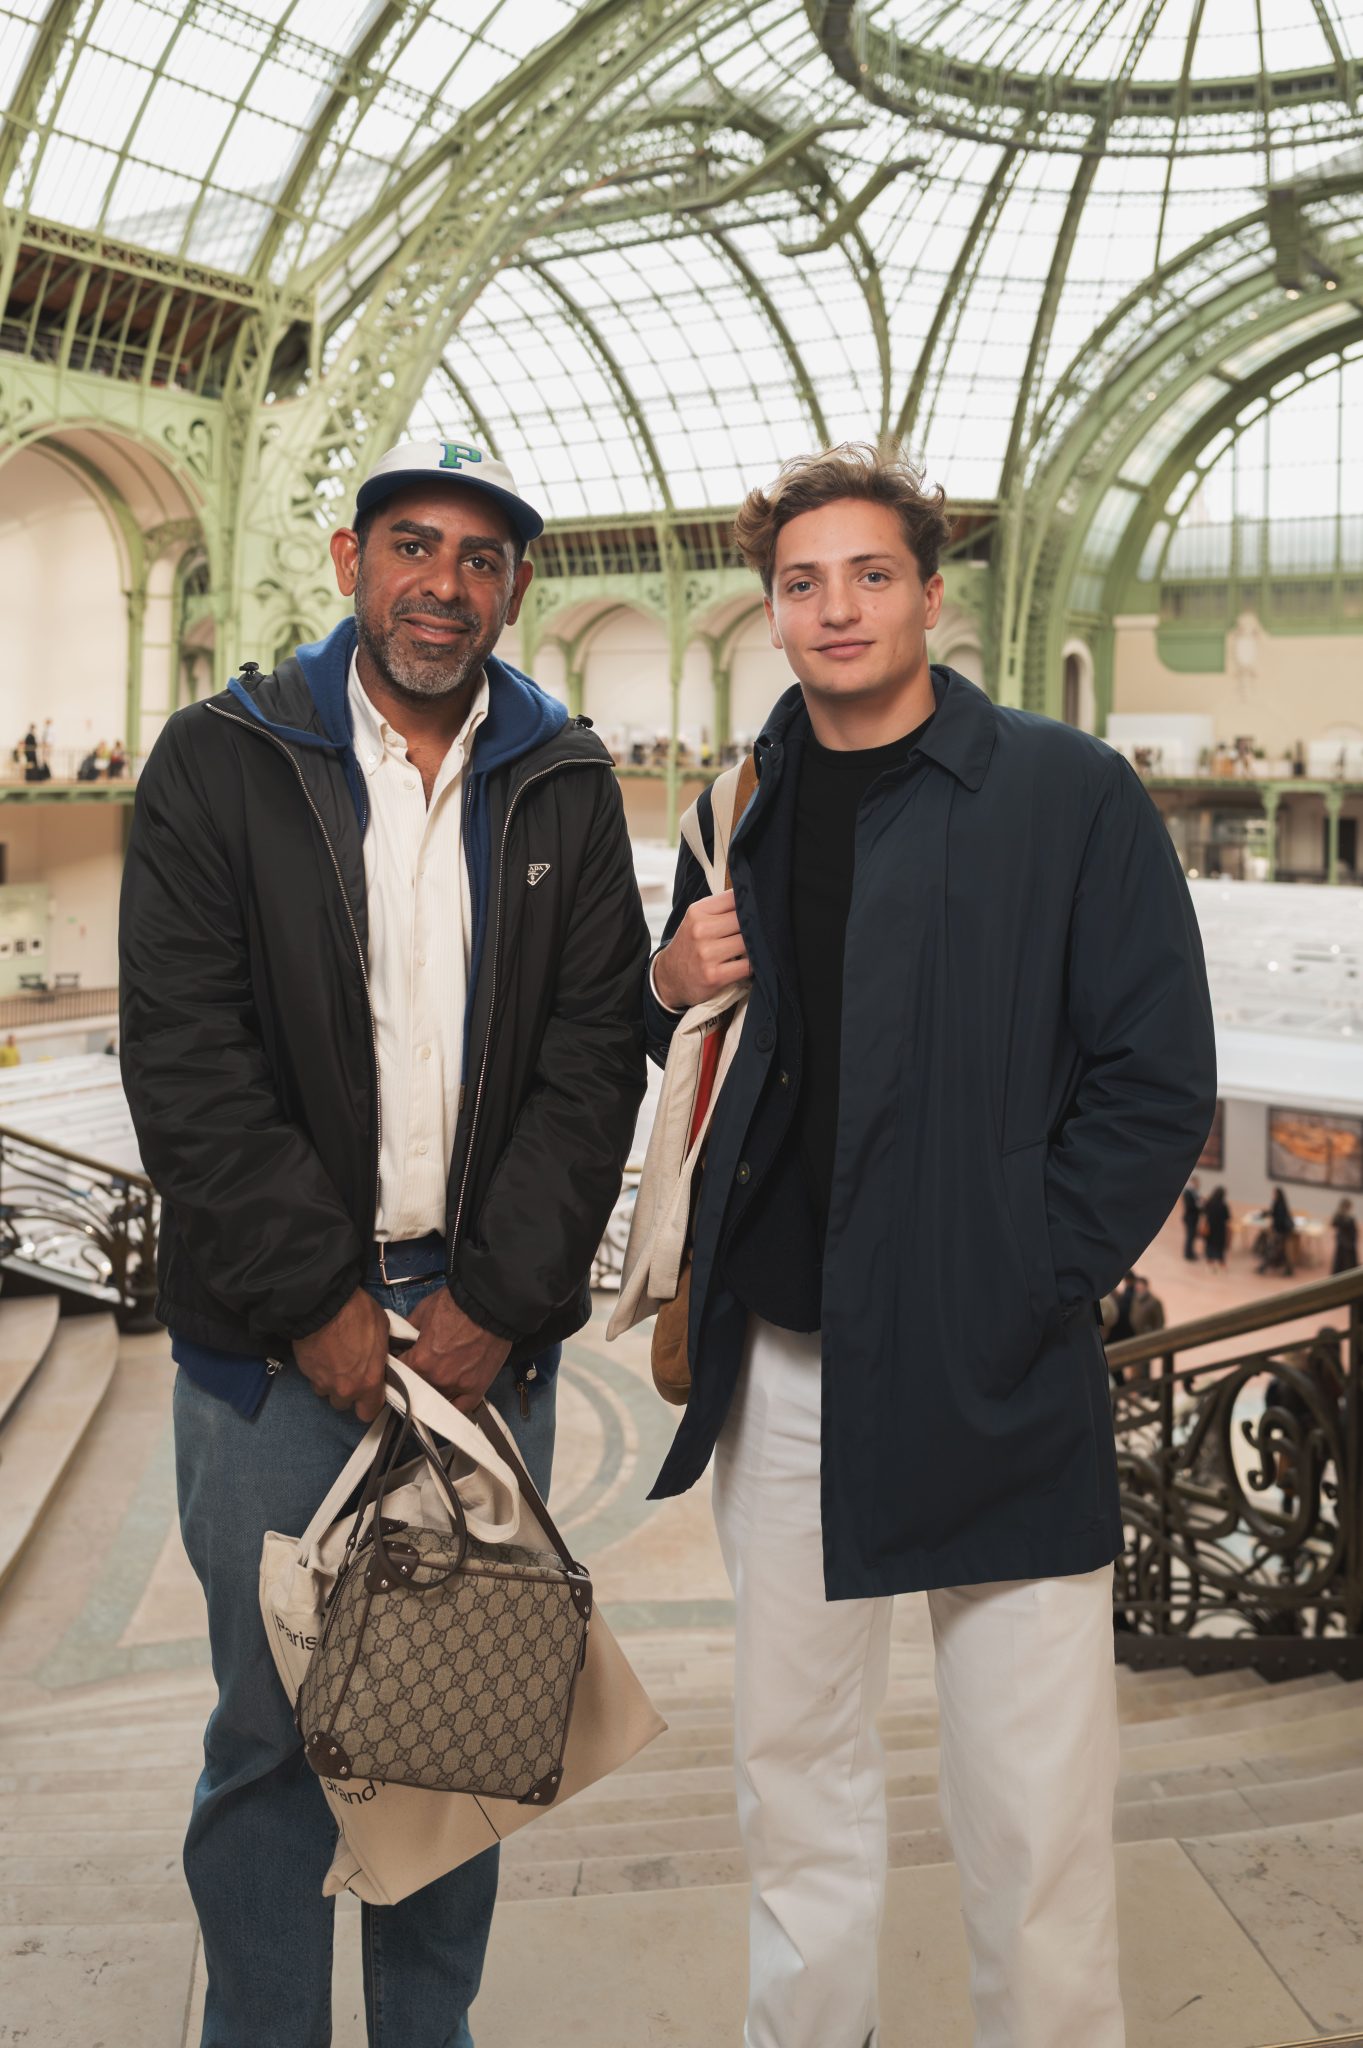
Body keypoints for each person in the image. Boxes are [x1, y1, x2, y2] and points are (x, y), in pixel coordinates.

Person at [641, 444, 1216, 2048]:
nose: (836, 609)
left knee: (1032, 1816)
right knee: (793, 1785)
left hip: (995, 1372)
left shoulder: (1062, 790)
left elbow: (1153, 1073)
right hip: (784, 1369)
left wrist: (1021, 1275)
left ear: (930, 597)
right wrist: (658, 984)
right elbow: (700, 1044)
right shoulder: (735, 804)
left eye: (868, 575)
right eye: (802, 583)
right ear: (769, 615)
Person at [120, 435, 649, 2048]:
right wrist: (319, 1308)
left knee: (448, 1737)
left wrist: (492, 1301)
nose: (442, 581)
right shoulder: (218, 761)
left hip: (485, 1347)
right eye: (410, 544)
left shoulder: (561, 777)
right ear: (350, 566)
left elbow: (591, 1057)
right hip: (274, 1367)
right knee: (273, 1744)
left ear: (516, 589)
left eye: (478, 556)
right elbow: (187, 1061)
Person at [1259, 1186, 1297, 1276]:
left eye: (1274, 1193)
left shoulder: (1279, 1205)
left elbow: (1279, 1218)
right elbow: (1273, 1213)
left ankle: (1263, 1268)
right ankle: (1288, 1269)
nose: (1272, 1195)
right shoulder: (1279, 1203)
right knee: (1279, 1251)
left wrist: (1276, 1229)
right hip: (1280, 1231)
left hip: (1280, 1231)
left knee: (1272, 1250)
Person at [1203, 1184, 1230, 1268]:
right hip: (1220, 1229)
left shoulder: (1209, 1202)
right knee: (1219, 1246)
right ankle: (1221, 1262)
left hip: (1210, 1227)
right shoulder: (1223, 1205)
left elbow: (1204, 1211)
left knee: (1209, 1244)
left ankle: (1209, 1261)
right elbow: (1227, 1217)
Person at [1333, 1197, 1358, 1275]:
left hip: (1343, 1241)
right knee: (1347, 1263)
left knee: (1341, 1261)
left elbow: (1334, 1223)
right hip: (1348, 1243)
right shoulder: (1348, 1218)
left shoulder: (1339, 1216)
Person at [1182, 1174, 1202, 1259]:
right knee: (1190, 1236)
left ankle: (1191, 1252)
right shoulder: (1187, 1193)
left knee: (1192, 1236)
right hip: (1190, 1217)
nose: (1198, 1184)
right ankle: (1188, 1254)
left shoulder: (1195, 1192)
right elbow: (1190, 1205)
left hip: (1194, 1217)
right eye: (1196, 1182)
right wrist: (1199, 1205)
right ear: (1193, 1182)